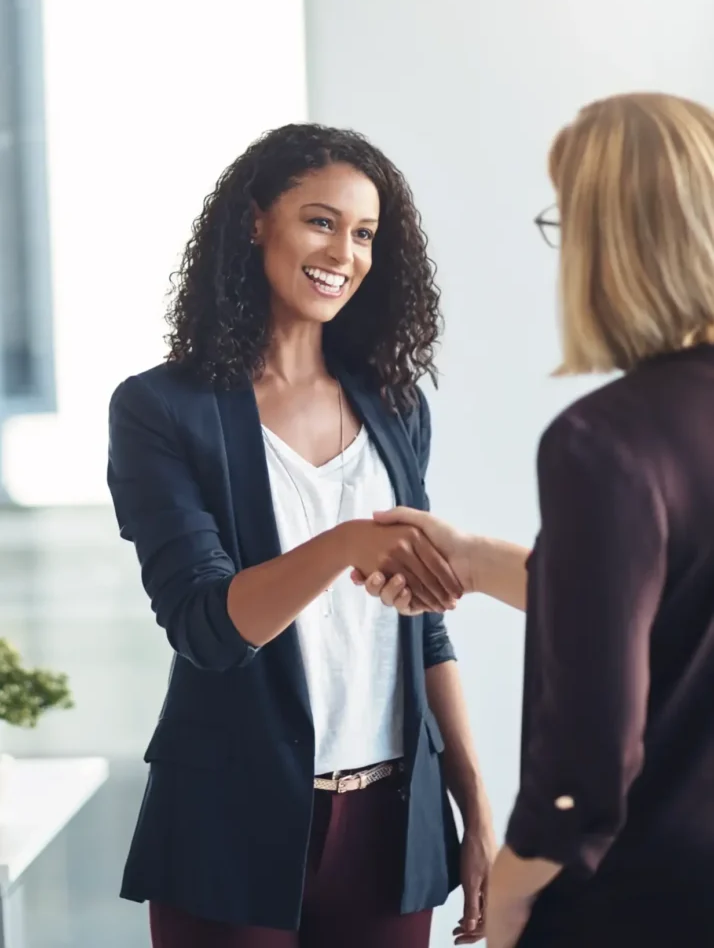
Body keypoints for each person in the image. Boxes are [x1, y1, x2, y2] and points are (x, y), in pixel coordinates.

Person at [107, 123, 496, 948]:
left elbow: (423, 626)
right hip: (227, 825)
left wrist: (474, 808)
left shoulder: (395, 407)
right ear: (255, 221)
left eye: (364, 234)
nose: (344, 252)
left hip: (393, 826)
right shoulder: (160, 410)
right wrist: (346, 544)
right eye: (320, 221)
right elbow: (209, 628)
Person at [357, 93, 714, 946]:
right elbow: (677, 611)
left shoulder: (604, 441)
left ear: (607, 237)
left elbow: (589, 769)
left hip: (641, 902)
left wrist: (513, 890)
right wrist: (477, 564)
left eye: (565, 222)